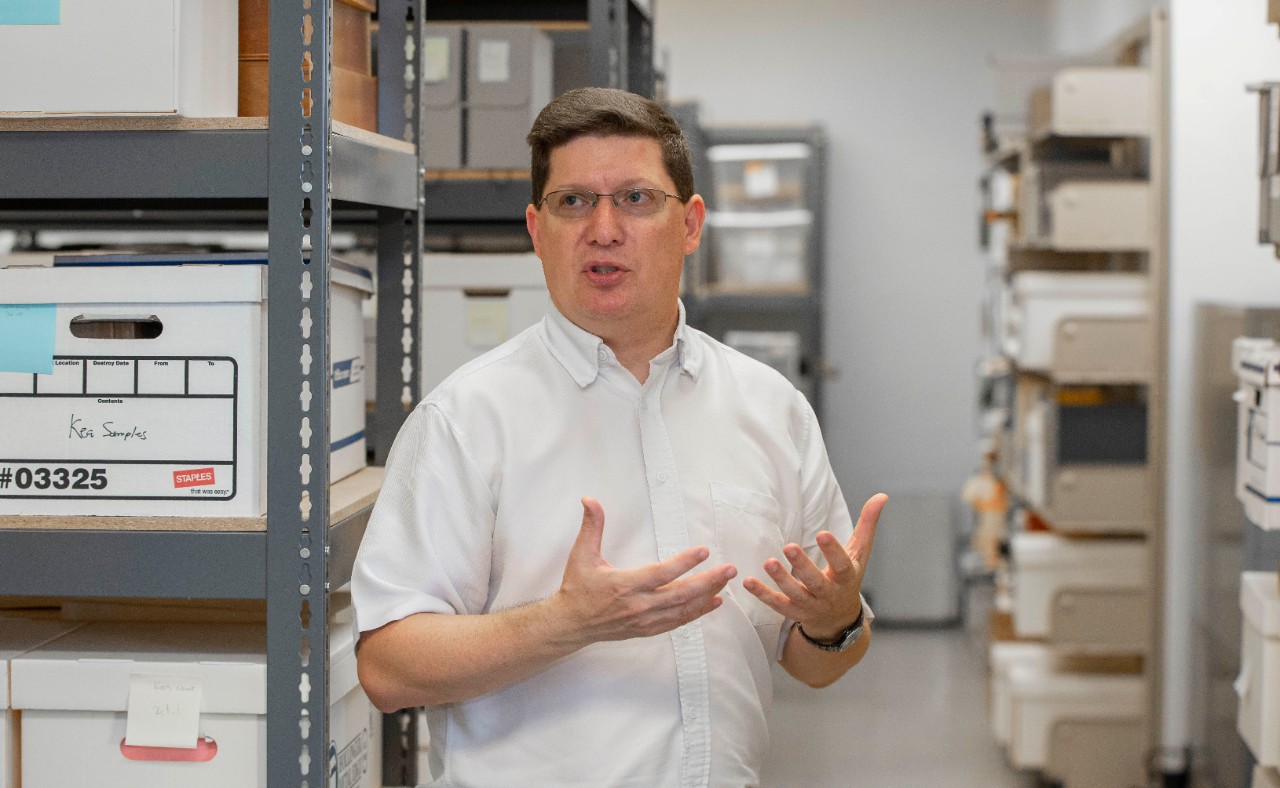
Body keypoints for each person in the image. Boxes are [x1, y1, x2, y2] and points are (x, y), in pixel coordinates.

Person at [352, 86, 887, 787]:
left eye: (636, 199)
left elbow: (817, 663)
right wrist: (569, 622)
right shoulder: (467, 419)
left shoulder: (770, 408)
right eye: (573, 202)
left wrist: (838, 618)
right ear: (537, 230)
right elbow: (387, 668)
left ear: (691, 224)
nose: (603, 229)